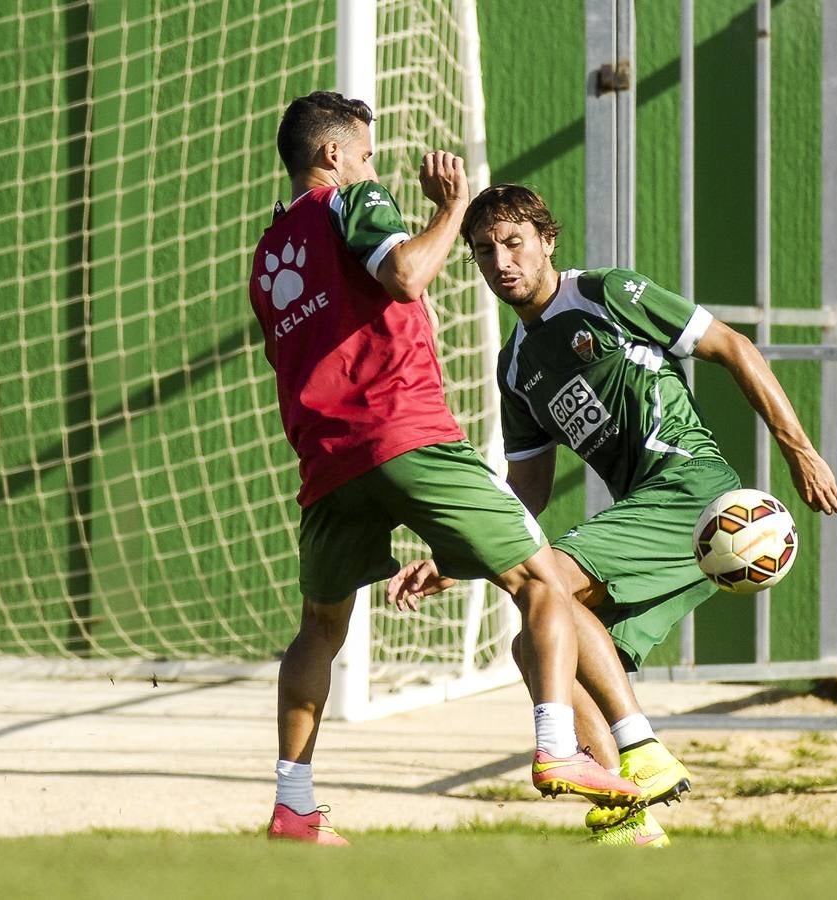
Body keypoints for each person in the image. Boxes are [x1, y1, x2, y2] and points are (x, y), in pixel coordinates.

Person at [389, 183, 837, 847]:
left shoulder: (604, 294)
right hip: (648, 516)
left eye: (513, 243)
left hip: (691, 489)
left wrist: (800, 452)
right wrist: (459, 558)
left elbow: (734, 346)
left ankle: (641, 747)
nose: (500, 262)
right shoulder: (514, 367)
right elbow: (527, 495)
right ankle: (624, 817)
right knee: (535, 642)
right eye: (483, 251)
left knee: (547, 588)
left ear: (547, 240)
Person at [247, 92, 641, 845]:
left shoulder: (269, 253)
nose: (370, 163)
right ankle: (559, 747)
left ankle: (292, 806)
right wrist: (451, 209)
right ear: (331, 155)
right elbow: (407, 275)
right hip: (404, 434)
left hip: (326, 460)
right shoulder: (352, 200)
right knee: (542, 581)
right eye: (363, 151)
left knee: (319, 630)